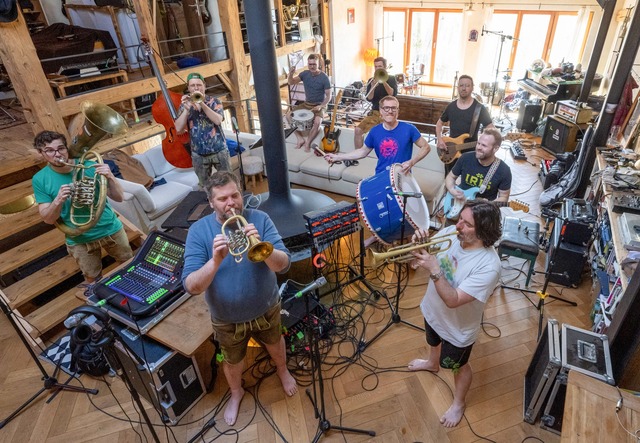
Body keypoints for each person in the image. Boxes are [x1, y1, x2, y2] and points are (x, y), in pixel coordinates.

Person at [182, 171, 298, 426]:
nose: (231, 203)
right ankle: (236, 392)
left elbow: (284, 264)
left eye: (235, 195)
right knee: (232, 361)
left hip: (266, 306)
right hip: (226, 318)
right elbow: (191, 286)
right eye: (222, 199)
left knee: (275, 342)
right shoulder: (199, 232)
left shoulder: (259, 218)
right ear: (211, 203)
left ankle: (282, 370)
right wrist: (215, 261)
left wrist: (263, 244)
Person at [408, 199, 502, 428]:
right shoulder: (451, 232)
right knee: (432, 341)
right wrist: (419, 246)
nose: (458, 225)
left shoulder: (489, 266)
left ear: (483, 232)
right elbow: (420, 260)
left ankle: (458, 403)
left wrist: (434, 268)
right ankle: (432, 362)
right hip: (432, 311)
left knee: (458, 366)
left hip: (457, 329)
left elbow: (453, 300)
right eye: (460, 218)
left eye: (466, 224)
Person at [32, 131, 133, 286]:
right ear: (41, 153)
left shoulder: (89, 165)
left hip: (110, 228)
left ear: (67, 148)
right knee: (92, 279)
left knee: (127, 265)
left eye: (61, 148)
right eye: (50, 150)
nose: (57, 154)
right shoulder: (40, 179)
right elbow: (48, 219)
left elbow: (119, 197)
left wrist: (111, 177)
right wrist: (58, 200)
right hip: (79, 238)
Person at [324, 95, 430, 176]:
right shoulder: (374, 131)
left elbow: (426, 147)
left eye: (394, 108)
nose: (390, 111)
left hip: (402, 176)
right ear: (381, 111)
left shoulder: (409, 129)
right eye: (386, 108)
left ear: (398, 111)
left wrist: (412, 162)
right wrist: (338, 157)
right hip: (380, 176)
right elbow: (362, 151)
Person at [175, 72, 230, 187]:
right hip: (198, 154)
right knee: (204, 186)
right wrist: (186, 109)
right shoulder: (184, 105)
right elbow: (178, 129)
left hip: (219, 150)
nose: (196, 88)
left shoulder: (215, 102)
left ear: (204, 86)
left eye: (199, 85)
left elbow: (218, 120)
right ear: (189, 88)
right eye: (193, 85)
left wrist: (202, 104)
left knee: (227, 182)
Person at [436, 75, 495, 172]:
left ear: (472, 88)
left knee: (466, 182)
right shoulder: (451, 106)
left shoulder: (479, 109)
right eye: (461, 85)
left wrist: (488, 141)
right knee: (448, 180)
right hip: (451, 151)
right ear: (458, 88)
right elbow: (439, 124)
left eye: (467, 85)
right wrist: (439, 139)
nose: (464, 88)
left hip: (471, 153)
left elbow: (491, 128)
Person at [445, 127, 512, 203]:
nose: (479, 147)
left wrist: (489, 205)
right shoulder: (465, 158)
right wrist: (452, 190)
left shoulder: (504, 170)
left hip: (482, 211)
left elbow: (504, 197)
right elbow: (451, 177)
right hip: (460, 203)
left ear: (495, 149)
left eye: (484, 145)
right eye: (478, 143)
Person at [287, 53, 332, 152]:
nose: (312, 66)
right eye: (310, 64)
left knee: (317, 122)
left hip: (320, 104)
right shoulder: (304, 74)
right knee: (289, 116)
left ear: (318, 64)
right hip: (307, 104)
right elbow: (291, 82)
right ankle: (300, 139)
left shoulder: (324, 77)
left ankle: (308, 143)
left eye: (314, 64)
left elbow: (329, 96)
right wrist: (290, 73)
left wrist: (321, 106)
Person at [354, 56, 398, 150]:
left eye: (380, 66)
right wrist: (373, 85)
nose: (377, 69)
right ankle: (357, 156)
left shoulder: (391, 79)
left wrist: (384, 81)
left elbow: (393, 94)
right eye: (376, 67)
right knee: (358, 130)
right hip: (375, 113)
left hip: (388, 114)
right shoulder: (371, 80)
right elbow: (369, 98)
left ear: (385, 67)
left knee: (385, 137)